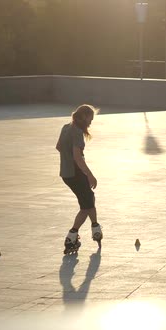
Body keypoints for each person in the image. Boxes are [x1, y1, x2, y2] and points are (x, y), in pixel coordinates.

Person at [56, 104, 102, 254]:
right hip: (75, 173)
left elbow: (58, 146)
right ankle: (72, 236)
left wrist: (66, 158)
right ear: (84, 117)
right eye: (90, 119)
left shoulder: (66, 127)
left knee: (89, 199)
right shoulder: (76, 132)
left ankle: (95, 227)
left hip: (66, 173)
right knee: (86, 206)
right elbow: (77, 157)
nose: (90, 122)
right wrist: (90, 174)